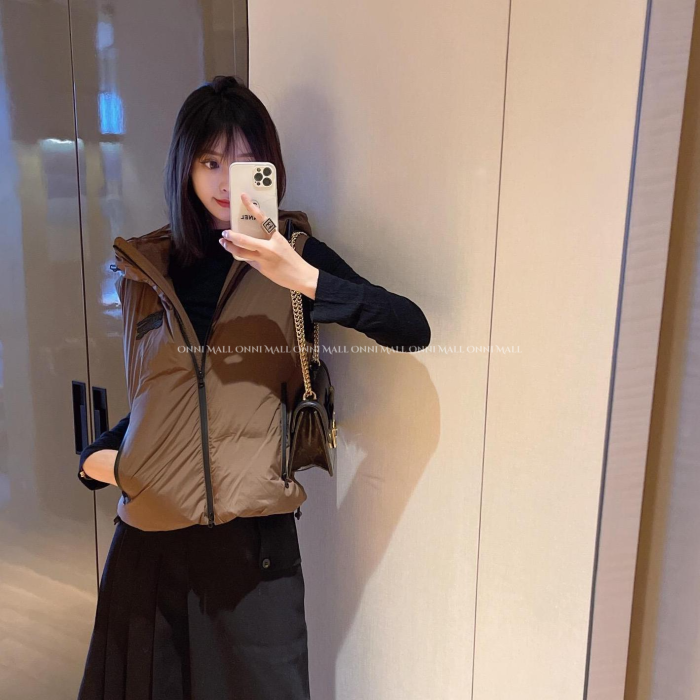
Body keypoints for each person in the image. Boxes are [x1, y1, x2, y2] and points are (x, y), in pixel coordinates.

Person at [76, 74, 430, 700]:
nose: (225, 181)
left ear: (267, 169)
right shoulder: (147, 271)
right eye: (210, 162)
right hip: (148, 554)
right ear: (185, 167)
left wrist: (303, 277)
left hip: (253, 557)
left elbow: (411, 329)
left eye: (243, 163)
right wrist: (105, 460)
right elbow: (163, 401)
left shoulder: (293, 254)